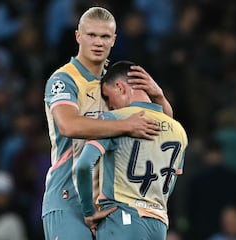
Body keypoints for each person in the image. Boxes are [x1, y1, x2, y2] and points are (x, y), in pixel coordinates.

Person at [42, 6, 173, 240]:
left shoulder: (116, 81)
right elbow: (69, 125)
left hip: (109, 204)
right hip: (68, 197)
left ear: (113, 40)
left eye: (104, 36)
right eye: (91, 35)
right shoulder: (64, 79)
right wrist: (125, 125)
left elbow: (162, 130)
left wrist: (159, 97)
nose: (98, 42)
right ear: (78, 36)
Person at [75, 60, 188, 240]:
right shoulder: (179, 130)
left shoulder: (115, 120)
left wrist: (89, 211)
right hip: (159, 224)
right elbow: (172, 181)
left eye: (107, 97)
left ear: (120, 87)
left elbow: (83, 165)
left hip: (122, 218)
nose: (109, 105)